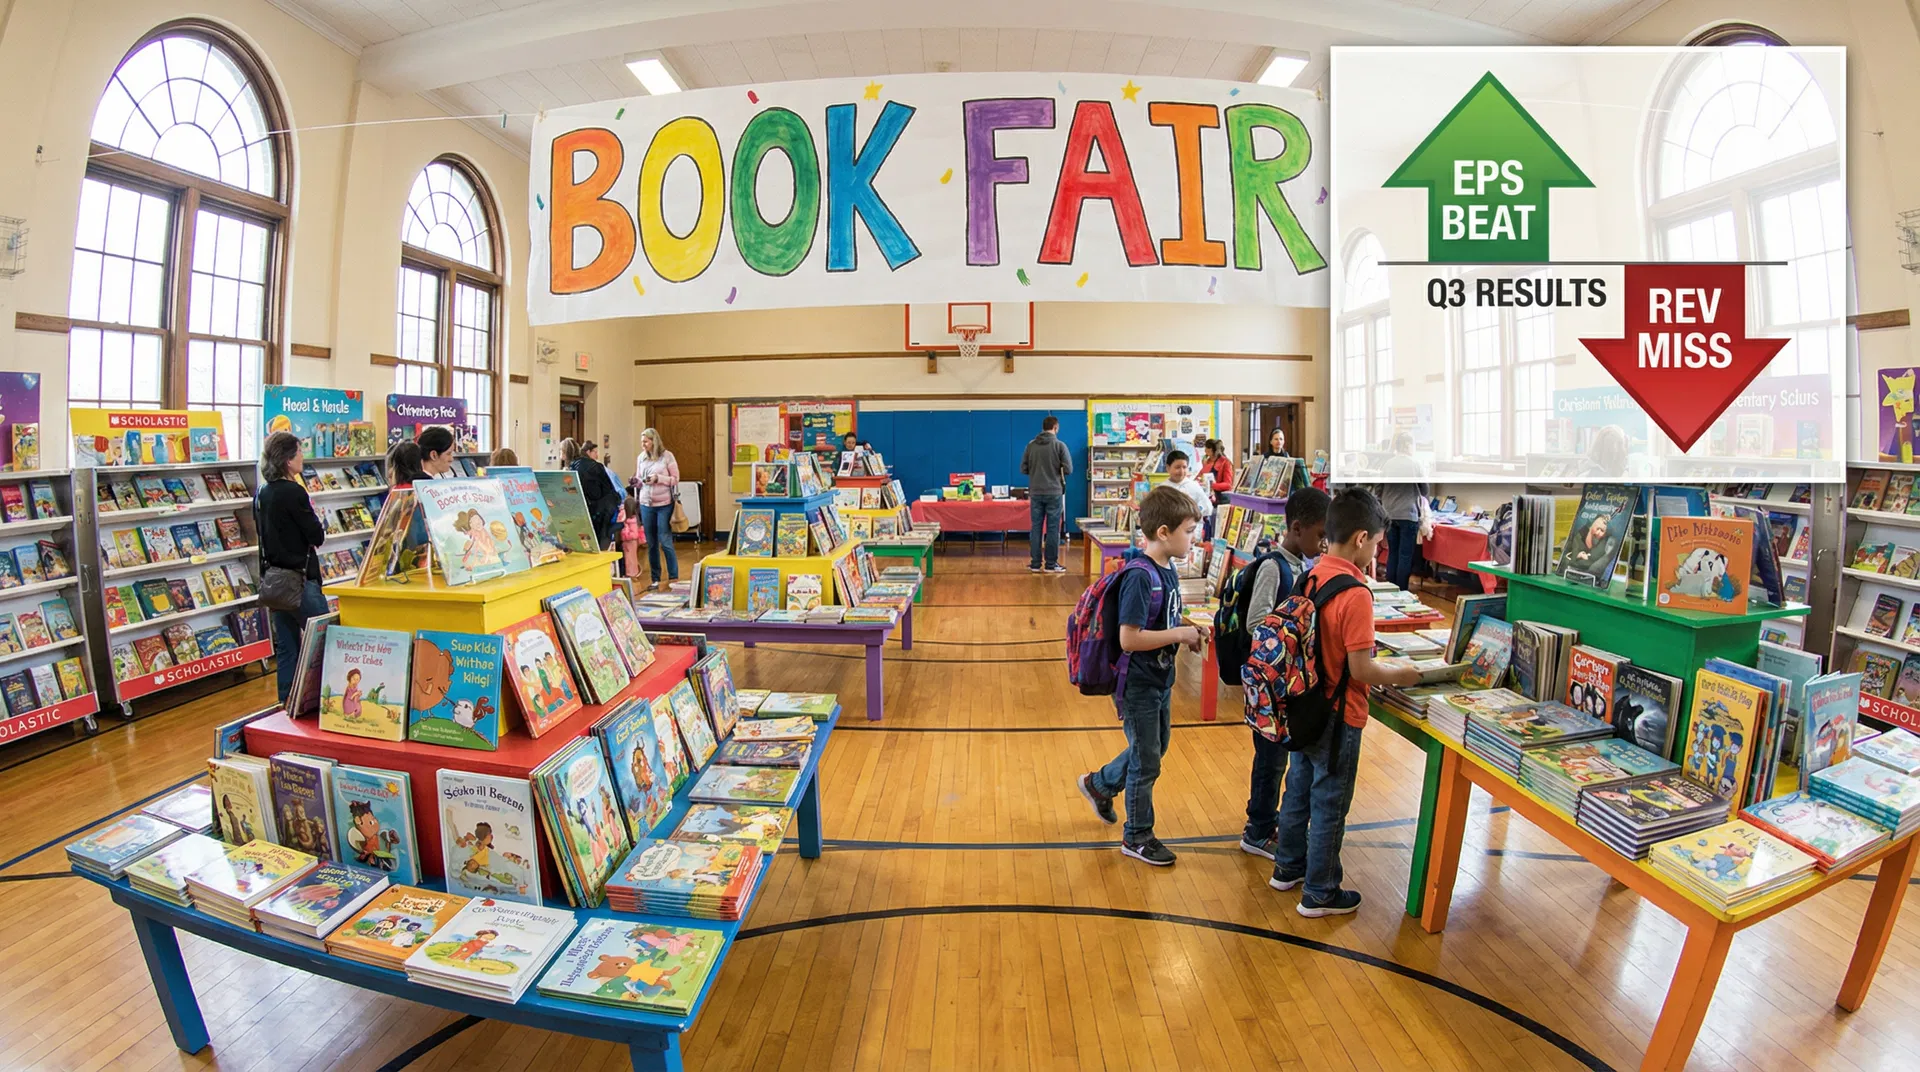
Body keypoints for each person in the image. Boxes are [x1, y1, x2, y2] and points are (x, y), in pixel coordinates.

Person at [1270, 489, 1421, 916]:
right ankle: (1320, 890)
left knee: (1298, 789)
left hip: (1304, 707)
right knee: (1331, 802)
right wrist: (1403, 674)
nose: (1377, 552)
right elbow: (1362, 670)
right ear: (1360, 539)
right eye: (1376, 543)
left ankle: (1287, 868)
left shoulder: (1311, 574)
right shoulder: (1356, 594)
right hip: (1339, 714)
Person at [1076, 485, 1210, 867]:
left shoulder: (1167, 570)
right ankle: (1137, 835)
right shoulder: (1140, 576)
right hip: (1138, 683)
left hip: (1159, 679)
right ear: (1164, 532)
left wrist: (1189, 630)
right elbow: (1130, 638)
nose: (1193, 538)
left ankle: (1099, 784)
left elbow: (1162, 620)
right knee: (1147, 760)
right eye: (1188, 531)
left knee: (1152, 748)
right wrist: (1179, 634)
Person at [1234, 487, 1331, 860]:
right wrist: (1292, 634)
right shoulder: (1274, 567)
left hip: (1285, 685)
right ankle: (1257, 829)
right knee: (1269, 760)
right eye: (1319, 534)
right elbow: (1256, 622)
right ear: (1296, 528)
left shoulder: (1302, 564)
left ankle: (1267, 822)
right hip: (1268, 687)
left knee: (1279, 757)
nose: (1323, 542)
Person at [257, 430, 328, 703]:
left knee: (287, 646)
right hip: (301, 580)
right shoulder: (295, 492)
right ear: (288, 459)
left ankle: (286, 701)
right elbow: (316, 536)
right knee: (324, 640)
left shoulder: (263, 492)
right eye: (299, 452)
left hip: (275, 580)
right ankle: (325, 700)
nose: (303, 458)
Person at [1020, 415, 1073, 574]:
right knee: (1052, 529)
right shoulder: (1060, 445)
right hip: (1054, 492)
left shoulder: (1031, 446)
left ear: (1043, 427)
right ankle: (1051, 564)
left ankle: (1035, 564)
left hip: (1035, 492)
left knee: (1036, 528)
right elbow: (1069, 469)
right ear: (1055, 428)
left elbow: (1023, 469)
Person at [1378, 430, 1429, 590]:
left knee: (1393, 553)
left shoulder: (1387, 464)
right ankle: (1402, 590)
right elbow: (1424, 490)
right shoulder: (1416, 464)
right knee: (1405, 555)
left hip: (1389, 514)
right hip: (1408, 515)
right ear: (1407, 446)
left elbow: (1378, 490)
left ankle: (1390, 587)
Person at [633, 427, 681, 591]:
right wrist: (636, 481)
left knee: (665, 539)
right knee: (651, 542)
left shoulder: (667, 456)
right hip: (646, 504)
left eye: (646, 441)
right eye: (642, 442)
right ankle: (655, 578)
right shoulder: (641, 458)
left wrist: (658, 478)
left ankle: (673, 576)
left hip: (664, 504)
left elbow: (675, 479)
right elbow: (640, 478)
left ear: (654, 441)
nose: (643, 444)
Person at [569, 439, 622, 549]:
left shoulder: (577, 467)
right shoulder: (596, 468)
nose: (597, 454)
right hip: (602, 512)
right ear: (588, 452)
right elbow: (615, 491)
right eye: (595, 452)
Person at [1161, 450, 1214, 522]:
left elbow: (1208, 507)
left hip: (1192, 528)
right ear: (1168, 468)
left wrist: (1195, 511)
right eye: (1177, 467)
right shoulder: (1163, 489)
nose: (1181, 471)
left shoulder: (1194, 486)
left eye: (1184, 467)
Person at [618, 491, 644, 579]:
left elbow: (633, 534)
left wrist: (624, 532)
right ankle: (632, 573)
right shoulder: (634, 519)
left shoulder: (630, 521)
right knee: (631, 557)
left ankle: (631, 574)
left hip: (629, 542)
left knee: (629, 558)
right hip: (630, 542)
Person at [1199, 440, 1234, 504]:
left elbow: (1228, 485)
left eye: (1207, 448)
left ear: (1213, 450)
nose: (1205, 450)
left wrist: (1210, 485)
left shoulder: (1225, 462)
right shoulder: (1207, 462)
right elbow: (1199, 477)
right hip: (1209, 499)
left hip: (1222, 499)